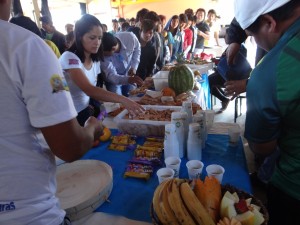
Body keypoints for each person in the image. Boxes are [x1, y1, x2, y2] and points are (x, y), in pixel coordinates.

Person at [0, 1, 103, 224]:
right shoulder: (26, 46)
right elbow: (70, 147)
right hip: (27, 214)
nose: (96, 42)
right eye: (91, 37)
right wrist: (92, 129)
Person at [234, 0, 300, 224]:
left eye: (252, 36)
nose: (255, 42)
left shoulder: (270, 71)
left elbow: (262, 146)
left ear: (270, 23)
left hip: (294, 188)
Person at [59, 14, 144, 126]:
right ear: (80, 36)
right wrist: (123, 99)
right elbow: (89, 89)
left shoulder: (95, 60)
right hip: (66, 115)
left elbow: (95, 89)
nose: (97, 42)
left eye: (99, 38)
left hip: (84, 110)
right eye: (92, 38)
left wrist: (95, 104)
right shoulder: (69, 58)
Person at [101, 32, 143, 96]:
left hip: (129, 73)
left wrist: (134, 67)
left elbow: (137, 49)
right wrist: (128, 79)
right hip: (114, 80)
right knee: (117, 101)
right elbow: (111, 75)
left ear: (113, 49)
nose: (104, 56)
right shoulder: (103, 56)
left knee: (134, 96)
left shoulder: (130, 37)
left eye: (106, 54)